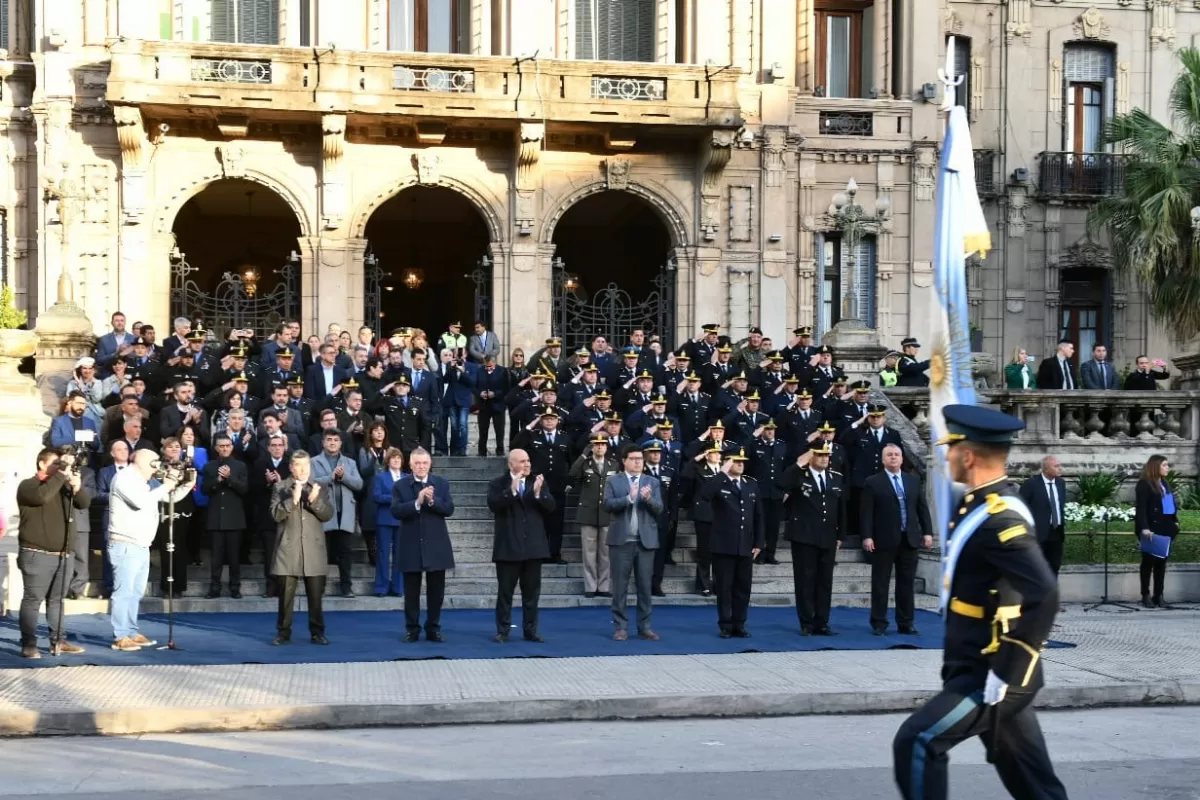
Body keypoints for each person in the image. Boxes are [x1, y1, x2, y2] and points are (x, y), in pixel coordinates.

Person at [892, 404, 1065, 800]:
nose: (946, 456)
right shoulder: (978, 504)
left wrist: (1007, 671)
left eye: (950, 449)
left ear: (967, 456)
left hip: (992, 671)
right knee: (1034, 784)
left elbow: (1045, 593)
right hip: (972, 661)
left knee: (917, 741)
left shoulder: (1001, 516)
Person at [108, 449, 193, 652]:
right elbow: (140, 502)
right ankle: (120, 635)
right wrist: (167, 484)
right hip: (125, 542)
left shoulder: (147, 482)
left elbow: (166, 497)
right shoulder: (124, 478)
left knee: (135, 592)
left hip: (142, 543)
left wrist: (187, 485)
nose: (158, 467)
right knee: (124, 592)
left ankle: (130, 630)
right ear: (142, 462)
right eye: (155, 463)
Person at [15, 448, 92, 658]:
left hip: (64, 554)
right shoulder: (29, 485)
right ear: (42, 464)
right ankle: (29, 643)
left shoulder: (62, 485)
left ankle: (58, 640)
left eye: (61, 463)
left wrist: (77, 488)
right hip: (36, 553)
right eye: (56, 463)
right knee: (33, 599)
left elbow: (84, 504)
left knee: (57, 600)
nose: (61, 467)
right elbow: (42, 496)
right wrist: (61, 473)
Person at [860, 444, 933, 635]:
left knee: (906, 584)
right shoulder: (873, 482)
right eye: (889, 455)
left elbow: (922, 509)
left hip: (909, 539)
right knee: (881, 583)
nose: (893, 457)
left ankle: (906, 622)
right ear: (883, 460)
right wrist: (867, 536)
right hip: (883, 540)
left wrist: (927, 532)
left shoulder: (913, 481)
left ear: (902, 459)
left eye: (897, 455)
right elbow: (866, 513)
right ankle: (879, 623)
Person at [487, 448, 555, 643]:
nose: (527, 464)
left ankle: (531, 630)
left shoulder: (537, 482)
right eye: (523, 461)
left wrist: (538, 494)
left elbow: (551, 507)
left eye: (528, 461)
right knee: (505, 594)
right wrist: (512, 491)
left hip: (533, 548)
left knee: (532, 594)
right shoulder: (498, 484)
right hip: (508, 548)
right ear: (511, 465)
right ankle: (503, 630)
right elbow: (493, 505)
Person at [779, 443, 846, 635]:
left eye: (827, 455)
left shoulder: (836, 478)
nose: (824, 458)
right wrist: (800, 463)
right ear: (811, 456)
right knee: (805, 580)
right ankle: (807, 622)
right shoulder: (799, 475)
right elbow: (781, 483)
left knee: (825, 581)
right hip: (804, 536)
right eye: (819, 455)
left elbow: (841, 507)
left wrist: (841, 534)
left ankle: (822, 622)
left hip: (828, 536)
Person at [270, 451, 335, 645]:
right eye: (298, 465)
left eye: (306, 465)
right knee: (285, 597)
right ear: (291, 467)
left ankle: (317, 632)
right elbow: (275, 515)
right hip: (288, 548)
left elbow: (328, 515)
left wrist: (315, 501)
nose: (302, 469)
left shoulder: (320, 487)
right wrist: (293, 500)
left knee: (315, 597)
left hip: (313, 549)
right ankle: (283, 632)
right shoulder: (280, 487)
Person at [391, 448, 456, 642]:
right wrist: (417, 502)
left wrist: (432, 501)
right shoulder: (400, 486)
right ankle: (412, 629)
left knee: (436, 592)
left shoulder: (441, 484)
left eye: (424, 463)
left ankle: (433, 628)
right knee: (411, 592)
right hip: (411, 544)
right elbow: (395, 510)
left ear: (430, 464)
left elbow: (449, 509)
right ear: (410, 465)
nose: (421, 467)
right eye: (417, 463)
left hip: (436, 545)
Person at [700, 448, 764, 638]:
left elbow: (759, 515)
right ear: (727, 462)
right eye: (736, 461)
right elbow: (705, 494)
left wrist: (759, 542)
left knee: (743, 587)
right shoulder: (718, 483)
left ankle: (740, 623)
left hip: (745, 544)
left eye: (742, 461)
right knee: (725, 587)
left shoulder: (750, 484)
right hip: (723, 544)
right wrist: (722, 473)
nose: (740, 464)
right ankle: (726, 625)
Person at [603, 444, 662, 641]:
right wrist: (628, 499)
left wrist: (648, 499)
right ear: (624, 461)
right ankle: (620, 627)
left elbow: (659, 509)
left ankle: (645, 626)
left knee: (645, 586)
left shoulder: (652, 482)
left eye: (640, 459)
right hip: (621, 541)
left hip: (645, 542)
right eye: (634, 458)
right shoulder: (614, 481)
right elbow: (608, 505)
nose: (638, 462)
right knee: (620, 587)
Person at [311, 429, 363, 597]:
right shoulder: (314, 462)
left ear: (341, 443)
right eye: (329, 440)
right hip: (323, 514)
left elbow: (359, 484)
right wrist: (330, 477)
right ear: (323, 443)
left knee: (345, 553)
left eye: (336, 440)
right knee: (322, 553)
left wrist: (343, 477)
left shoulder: (350, 463)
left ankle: (346, 587)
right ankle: (319, 587)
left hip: (345, 513)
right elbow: (311, 483)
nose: (332, 443)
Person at [202, 433, 250, 599]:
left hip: (235, 519)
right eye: (221, 446)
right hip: (215, 519)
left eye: (227, 446)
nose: (224, 448)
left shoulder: (240, 466)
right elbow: (205, 490)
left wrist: (229, 479)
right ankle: (214, 588)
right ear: (216, 448)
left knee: (234, 557)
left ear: (232, 447)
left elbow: (244, 490)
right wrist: (218, 479)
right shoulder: (209, 466)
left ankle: (235, 587)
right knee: (216, 558)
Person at [570, 435, 616, 598]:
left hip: (606, 513)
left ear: (606, 447)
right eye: (596, 445)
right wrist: (583, 455)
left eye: (602, 445)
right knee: (588, 553)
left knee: (605, 553)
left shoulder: (614, 464)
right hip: (588, 513)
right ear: (592, 446)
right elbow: (572, 474)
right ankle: (590, 586)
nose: (599, 447)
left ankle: (603, 586)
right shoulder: (585, 463)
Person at [1135, 454, 1179, 608]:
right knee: (1148, 562)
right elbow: (1141, 509)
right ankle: (1145, 595)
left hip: (1166, 527)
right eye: (1165, 465)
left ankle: (1158, 595)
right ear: (1156, 466)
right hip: (1151, 529)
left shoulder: (1165, 484)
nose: (1167, 468)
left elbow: (1169, 506)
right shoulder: (1144, 484)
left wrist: (1175, 522)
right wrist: (1145, 528)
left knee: (1161, 564)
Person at [1018, 456, 1067, 576]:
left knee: (1055, 565)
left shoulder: (1061, 483)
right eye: (1056, 466)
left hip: (1056, 531)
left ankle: (1052, 593)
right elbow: (1021, 507)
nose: (1060, 469)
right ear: (1045, 469)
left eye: (1059, 465)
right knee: (1037, 567)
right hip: (1038, 533)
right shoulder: (1031, 484)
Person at [371, 447, 406, 596]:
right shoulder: (380, 477)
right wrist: (394, 499)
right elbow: (376, 496)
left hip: (402, 520)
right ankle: (381, 587)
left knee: (400, 555)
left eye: (398, 458)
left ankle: (398, 588)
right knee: (383, 554)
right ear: (388, 461)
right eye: (393, 458)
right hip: (384, 519)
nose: (396, 460)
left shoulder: (407, 477)